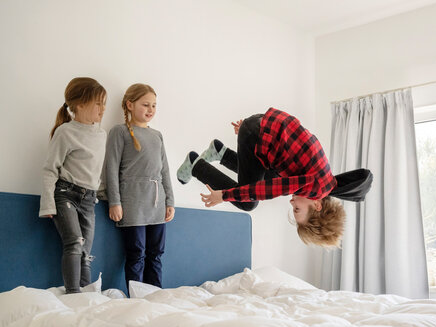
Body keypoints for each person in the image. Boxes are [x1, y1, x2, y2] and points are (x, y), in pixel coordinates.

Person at [177, 108, 372, 248]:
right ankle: (196, 166)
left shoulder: (326, 182)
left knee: (266, 178)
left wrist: (256, 127)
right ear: (317, 205)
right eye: (297, 208)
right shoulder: (313, 186)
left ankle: (220, 152)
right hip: (259, 134)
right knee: (249, 203)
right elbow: (266, 191)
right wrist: (224, 196)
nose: (291, 202)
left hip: (263, 127)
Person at [39, 77, 107, 294]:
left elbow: (96, 171)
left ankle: (86, 294)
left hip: (89, 199)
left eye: (104, 103)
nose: (102, 108)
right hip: (65, 194)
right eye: (98, 103)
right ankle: (73, 293)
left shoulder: (101, 134)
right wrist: (48, 204)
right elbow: (50, 169)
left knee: (86, 251)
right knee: (75, 244)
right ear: (80, 105)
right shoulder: (65, 132)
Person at [104, 83, 175, 293]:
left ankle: (155, 296)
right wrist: (114, 202)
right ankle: (136, 299)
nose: (150, 109)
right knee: (137, 253)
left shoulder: (157, 135)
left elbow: (165, 172)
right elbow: (111, 169)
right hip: (132, 203)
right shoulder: (119, 132)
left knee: (156, 253)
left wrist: (169, 201)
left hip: (157, 203)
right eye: (145, 104)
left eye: (154, 105)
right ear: (129, 105)